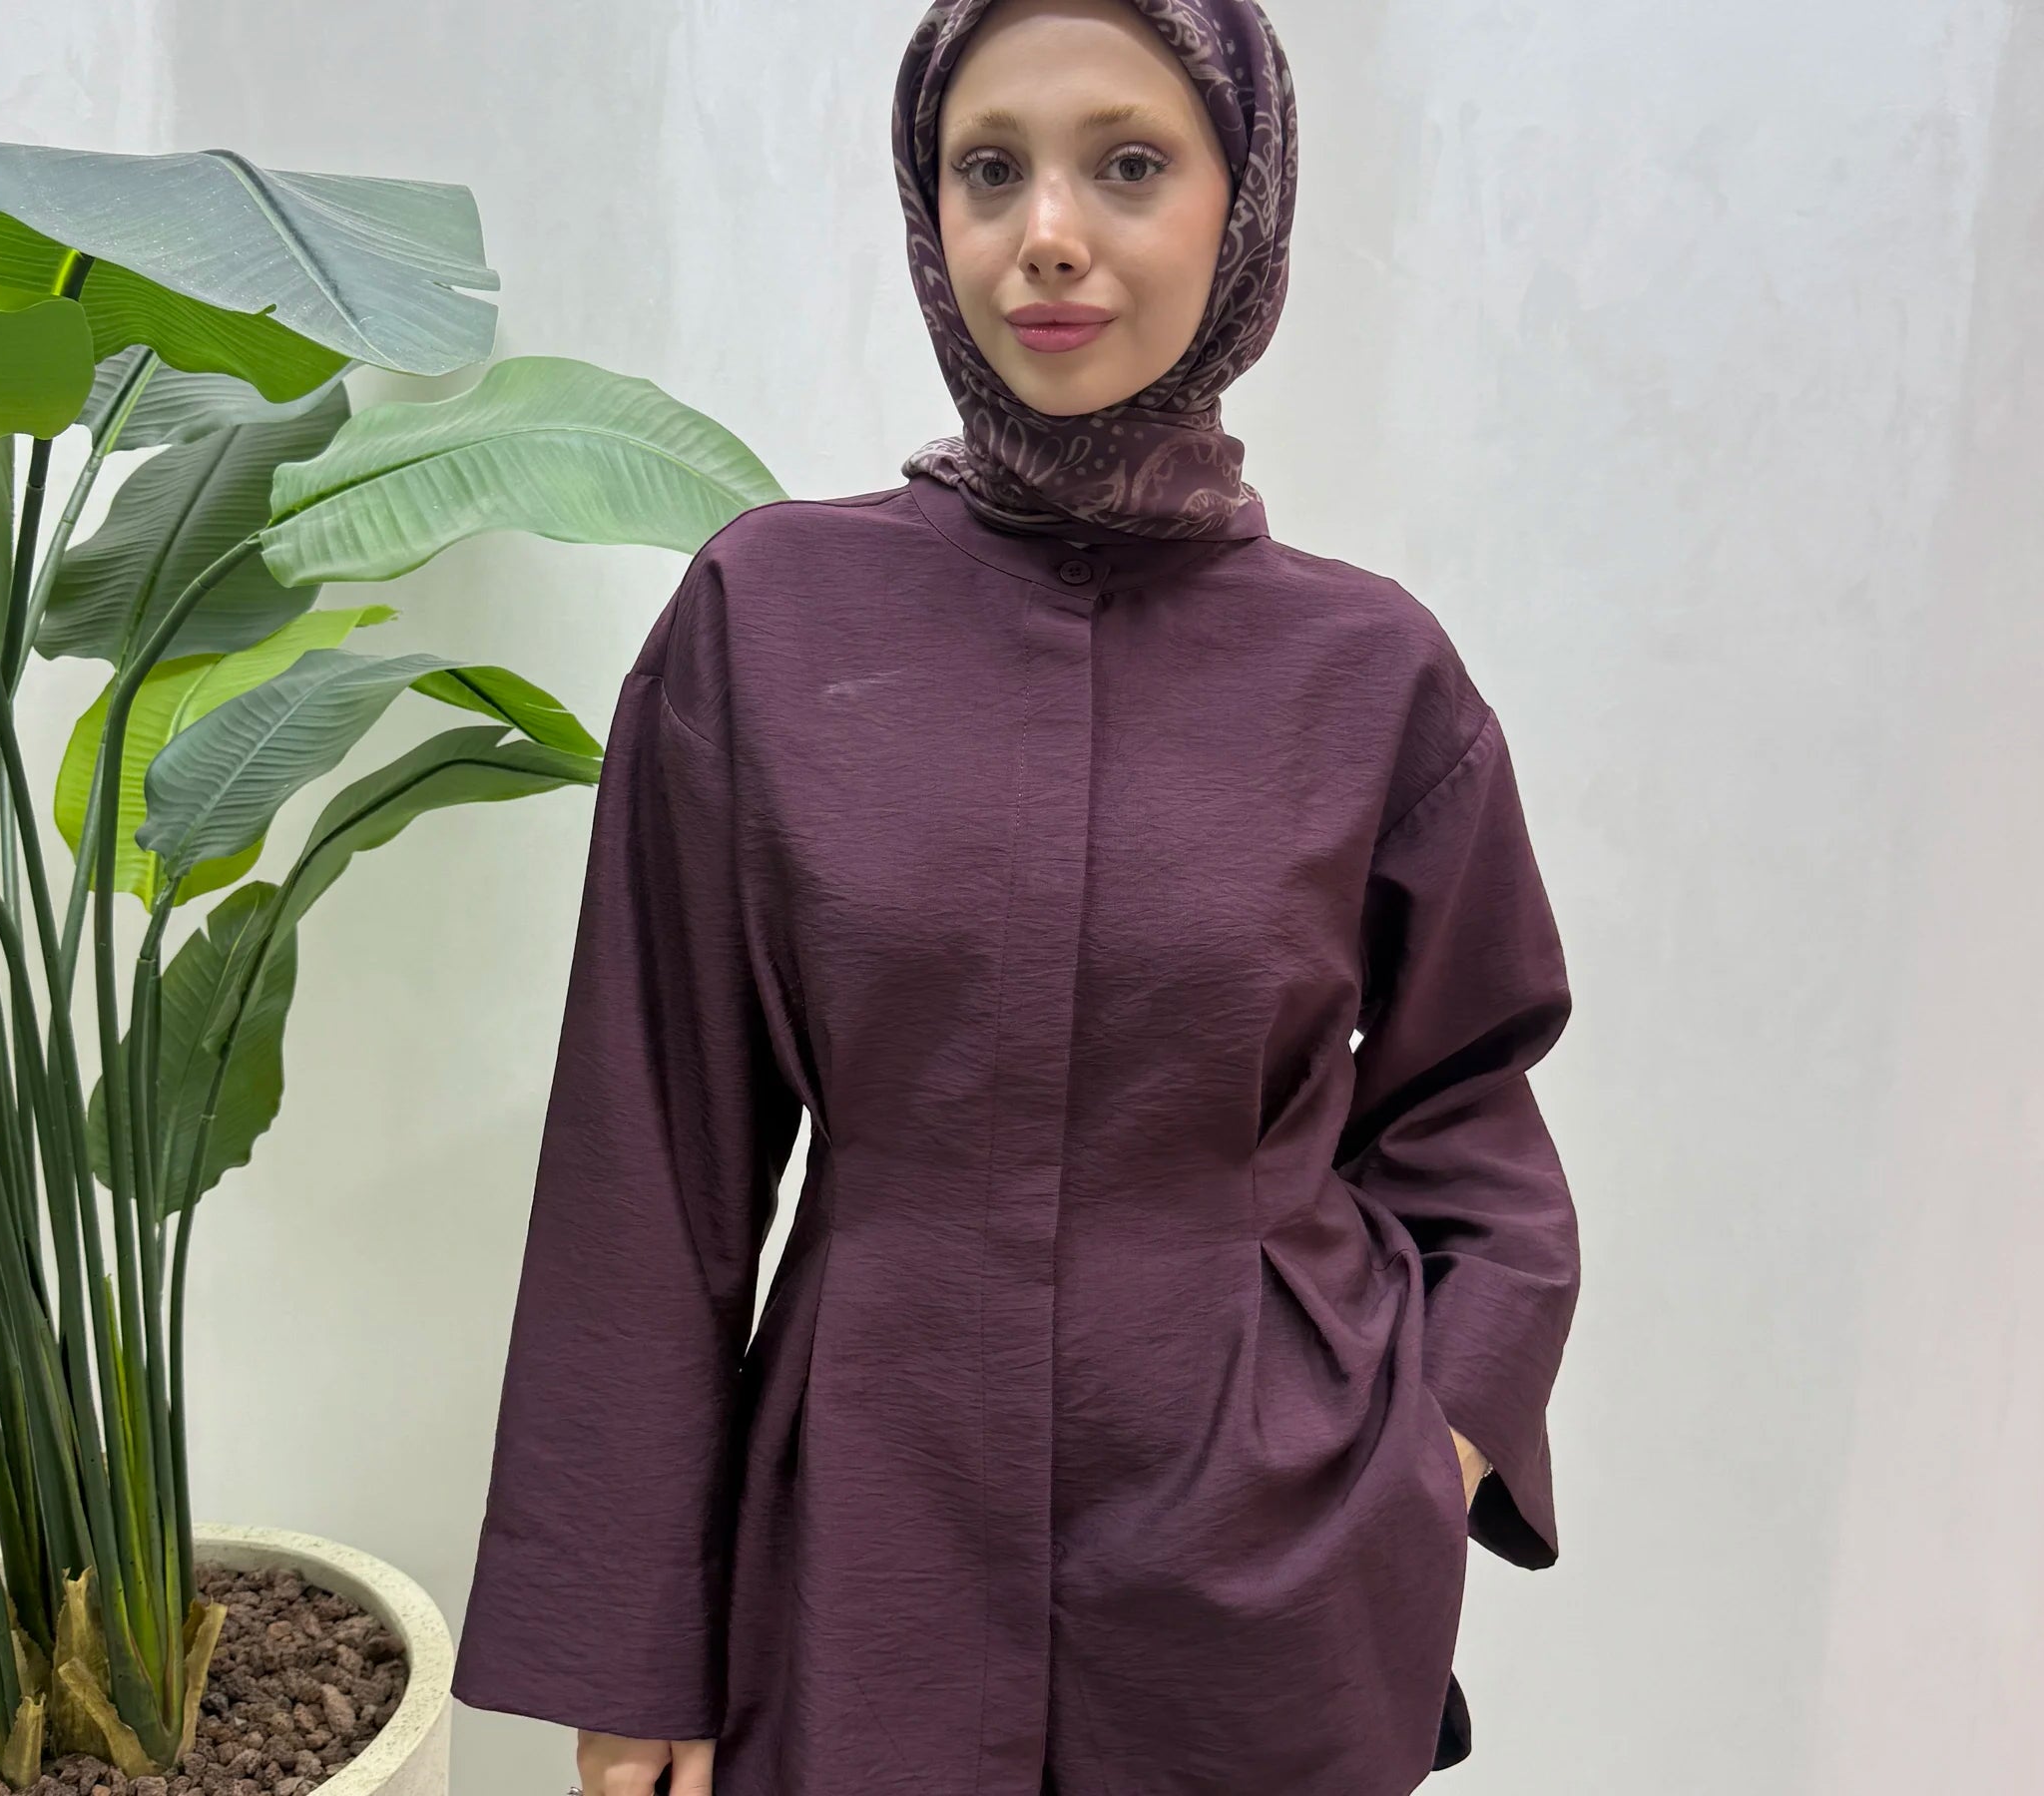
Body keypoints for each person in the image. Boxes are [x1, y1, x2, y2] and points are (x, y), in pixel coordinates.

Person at [448, 1, 1582, 1792]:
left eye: (1127, 163)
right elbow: (650, 1158)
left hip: (1268, 1581)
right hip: (863, 1552)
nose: (1046, 233)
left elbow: (1470, 1107)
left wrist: (1423, 1451)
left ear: (1243, 200)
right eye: (990, 169)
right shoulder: (768, 618)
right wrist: (637, 1653)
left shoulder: (1370, 673)